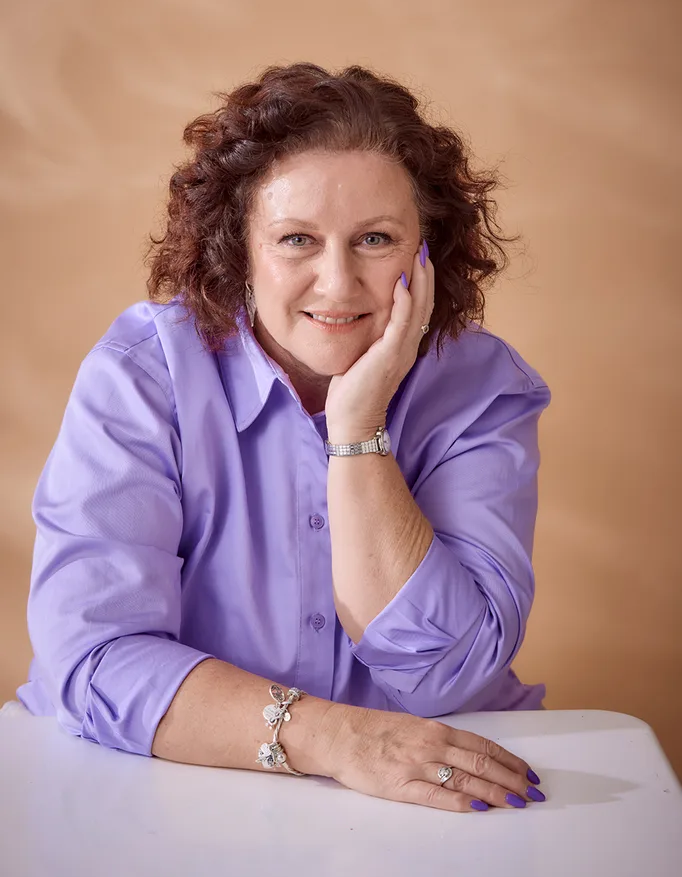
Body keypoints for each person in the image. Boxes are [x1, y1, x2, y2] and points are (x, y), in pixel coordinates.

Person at [17, 62, 550, 813]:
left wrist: (358, 430)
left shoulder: (480, 387)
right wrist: (336, 739)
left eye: (375, 238)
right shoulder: (143, 376)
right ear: (240, 250)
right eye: (297, 239)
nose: (338, 283)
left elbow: (449, 673)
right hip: (167, 794)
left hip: (421, 805)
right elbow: (97, 658)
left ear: (427, 251)